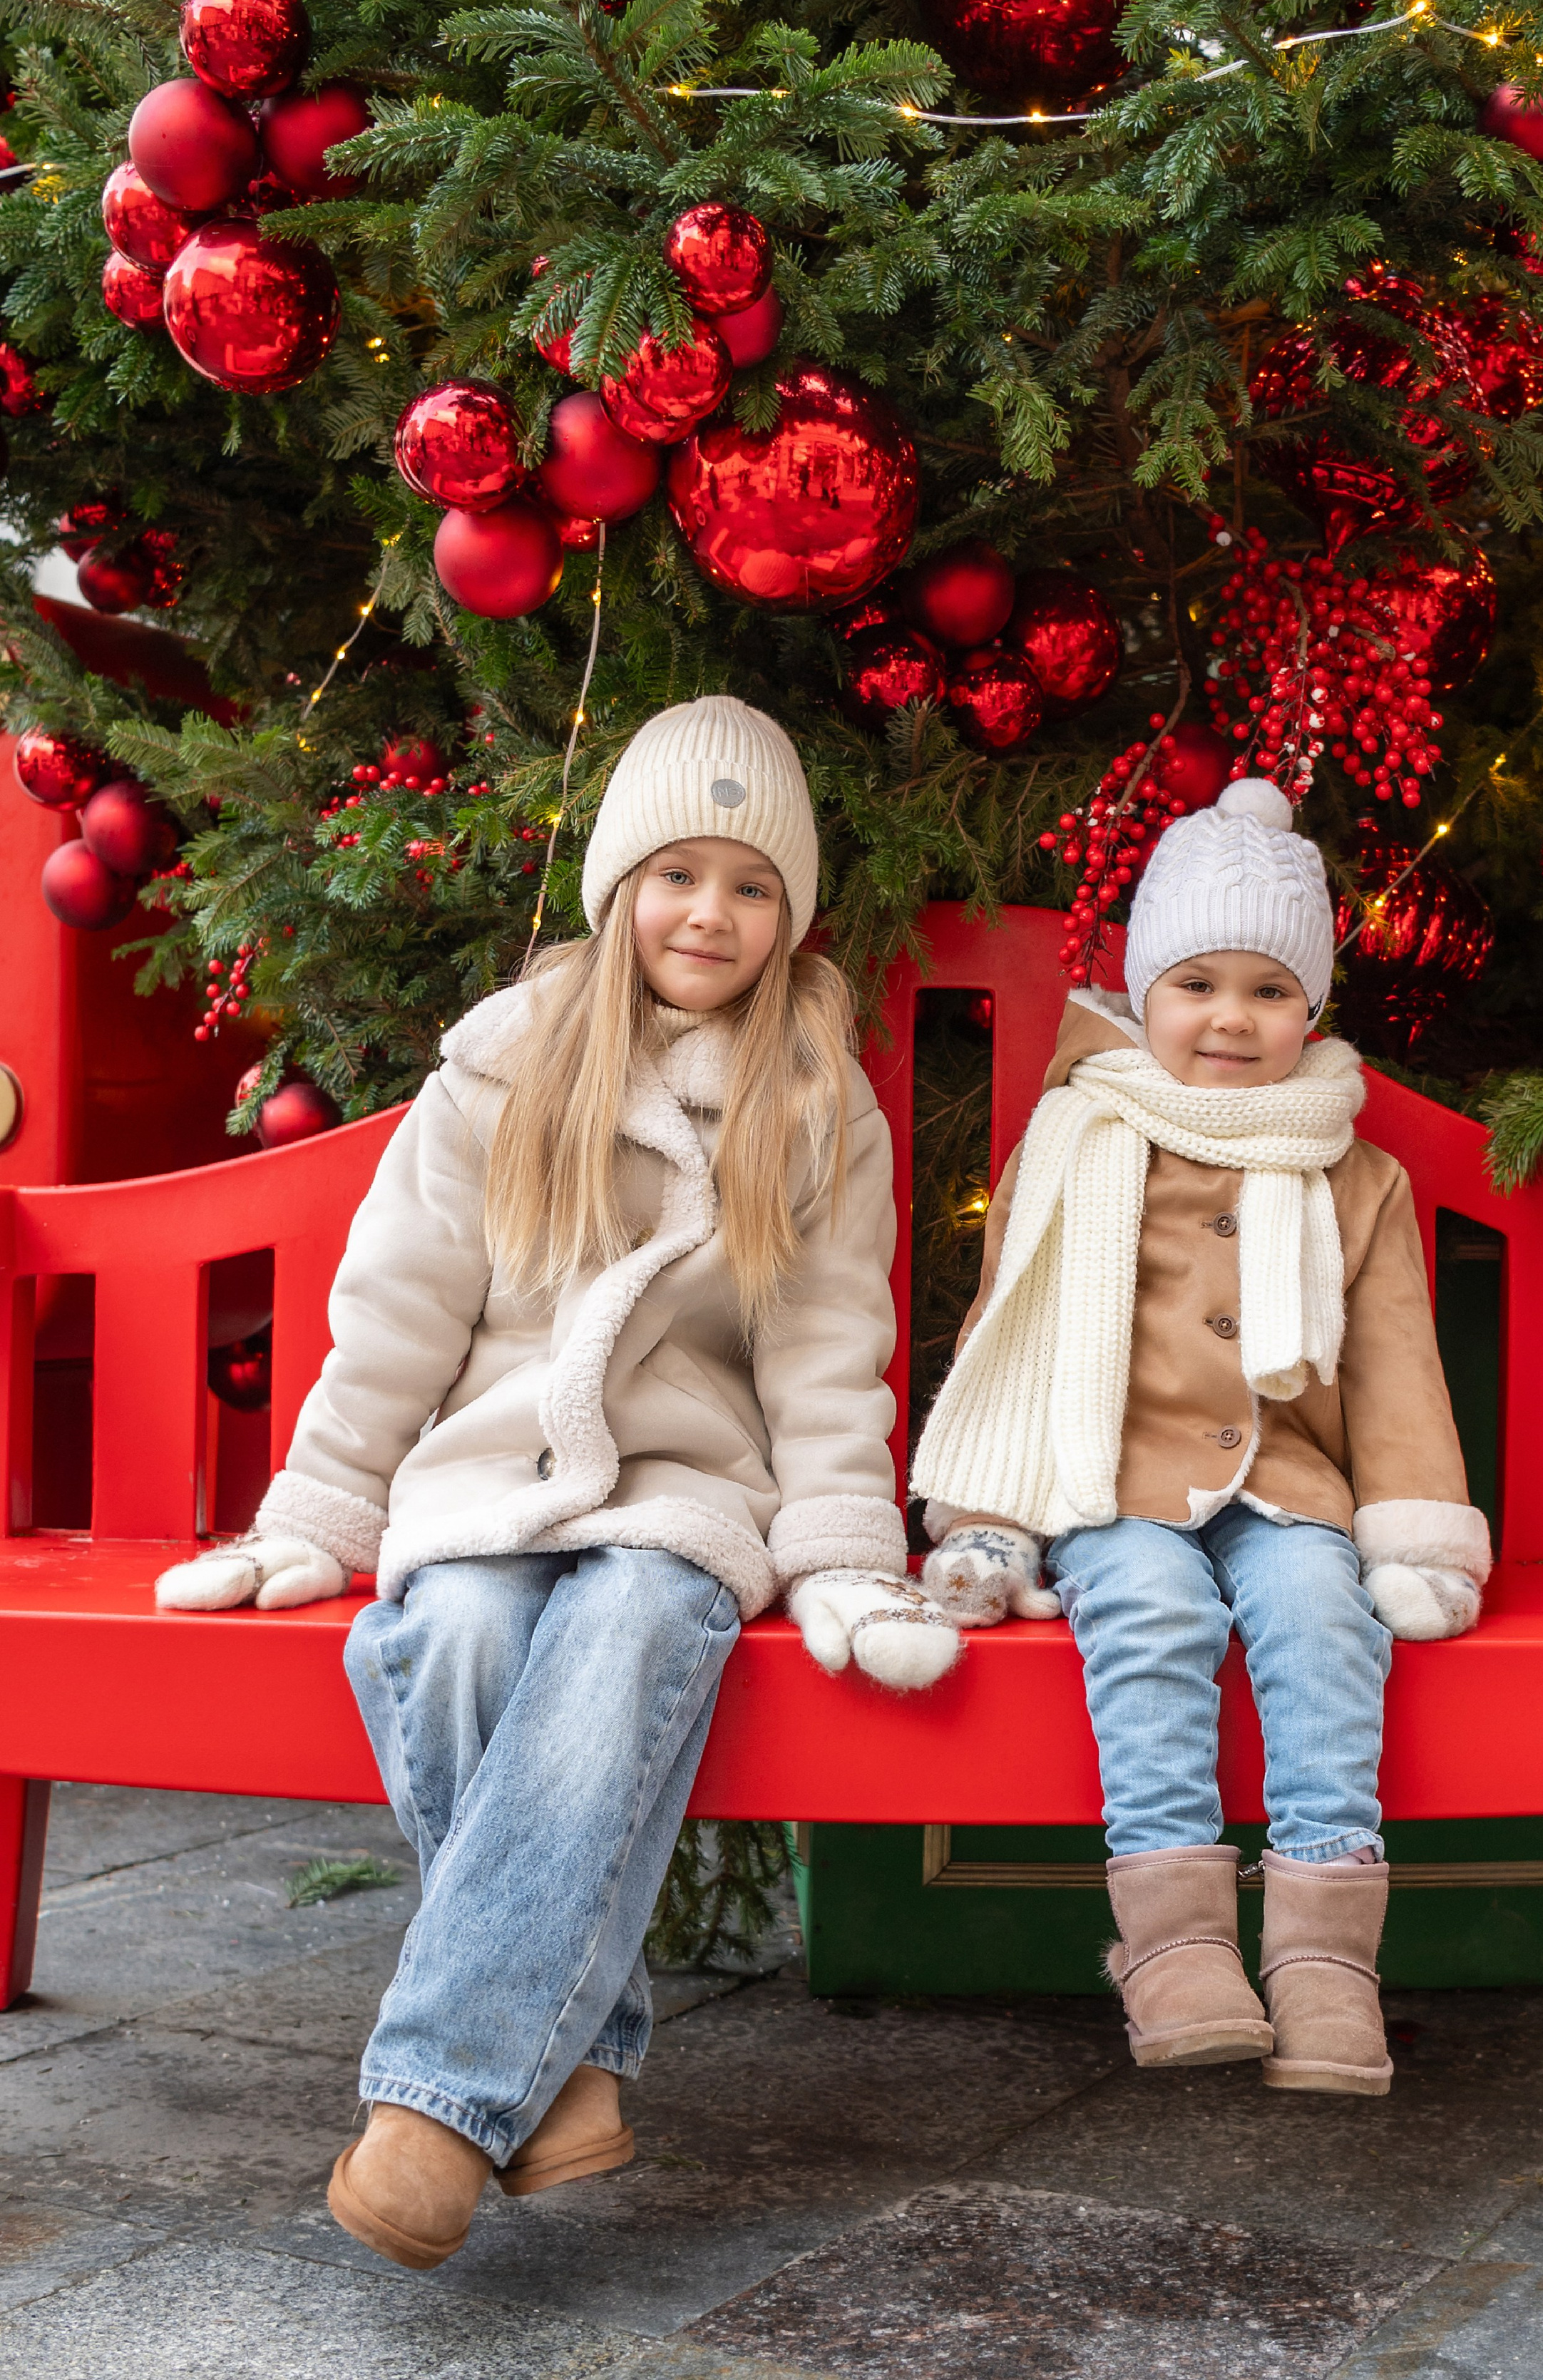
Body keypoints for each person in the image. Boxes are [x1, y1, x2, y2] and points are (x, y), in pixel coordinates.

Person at [155, 696, 958, 2266]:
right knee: (442, 1634)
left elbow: (822, 1339)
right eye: (675, 875)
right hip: (486, 1469)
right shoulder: (503, 1064)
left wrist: (844, 1536)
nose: (707, 913)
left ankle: (443, 2098)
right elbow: (396, 1309)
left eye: (747, 884)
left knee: (636, 1621)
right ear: (615, 889)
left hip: (683, 1481)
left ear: (787, 914)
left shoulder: (814, 1096)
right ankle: (571, 2066)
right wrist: (322, 1503)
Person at [911, 777, 1491, 2096]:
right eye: (1198, 985)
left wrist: (1411, 1526)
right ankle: (1174, 1949)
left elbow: (1398, 1370)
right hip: (1111, 1482)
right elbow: (1019, 1335)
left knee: (1322, 1625)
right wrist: (997, 1517)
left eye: (1270, 992)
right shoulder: (1080, 1137)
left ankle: (1327, 1962)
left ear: (1312, 1011)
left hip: (1288, 1484)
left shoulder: (1352, 1171)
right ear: (1144, 993)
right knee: (1153, 1625)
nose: (1231, 1018)